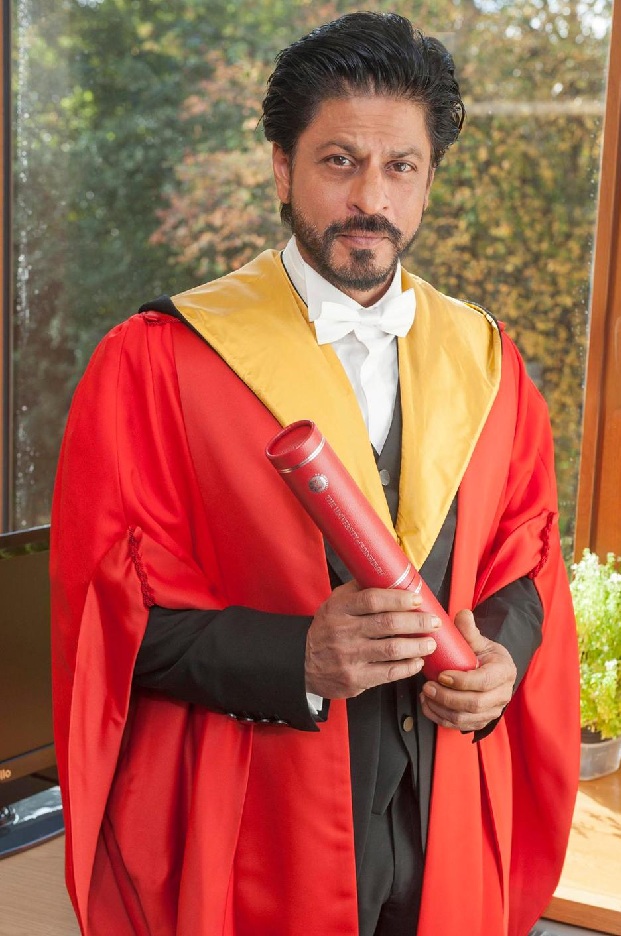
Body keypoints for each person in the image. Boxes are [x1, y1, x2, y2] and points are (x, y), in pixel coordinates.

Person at [50, 12, 580, 936]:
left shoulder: (490, 363)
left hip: (444, 822)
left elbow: (524, 560)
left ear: (428, 183)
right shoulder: (159, 363)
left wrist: (500, 659)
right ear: (281, 168)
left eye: (401, 166)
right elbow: (107, 622)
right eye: (339, 162)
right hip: (263, 828)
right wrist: (293, 658)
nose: (370, 197)